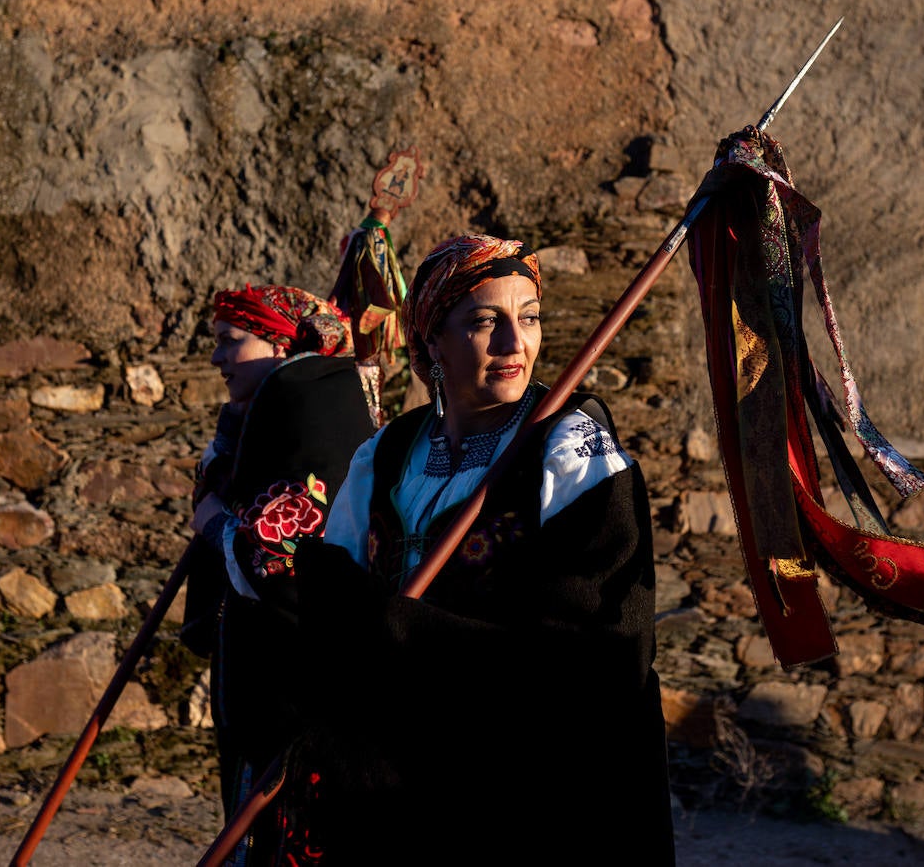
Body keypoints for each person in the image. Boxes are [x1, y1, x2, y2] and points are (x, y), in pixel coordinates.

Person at [285, 234, 675, 865]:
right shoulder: (386, 453)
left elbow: (602, 651)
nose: (513, 343)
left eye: (528, 318)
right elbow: (335, 593)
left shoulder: (576, 452)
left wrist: (399, 631)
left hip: (526, 787)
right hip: (391, 775)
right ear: (433, 339)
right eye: (485, 321)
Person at [180, 283, 376, 862]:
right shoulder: (275, 399)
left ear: (278, 342)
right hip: (262, 682)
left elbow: (285, 554)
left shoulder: (308, 396)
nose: (216, 358)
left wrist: (214, 522)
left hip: (296, 682)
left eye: (230, 341)